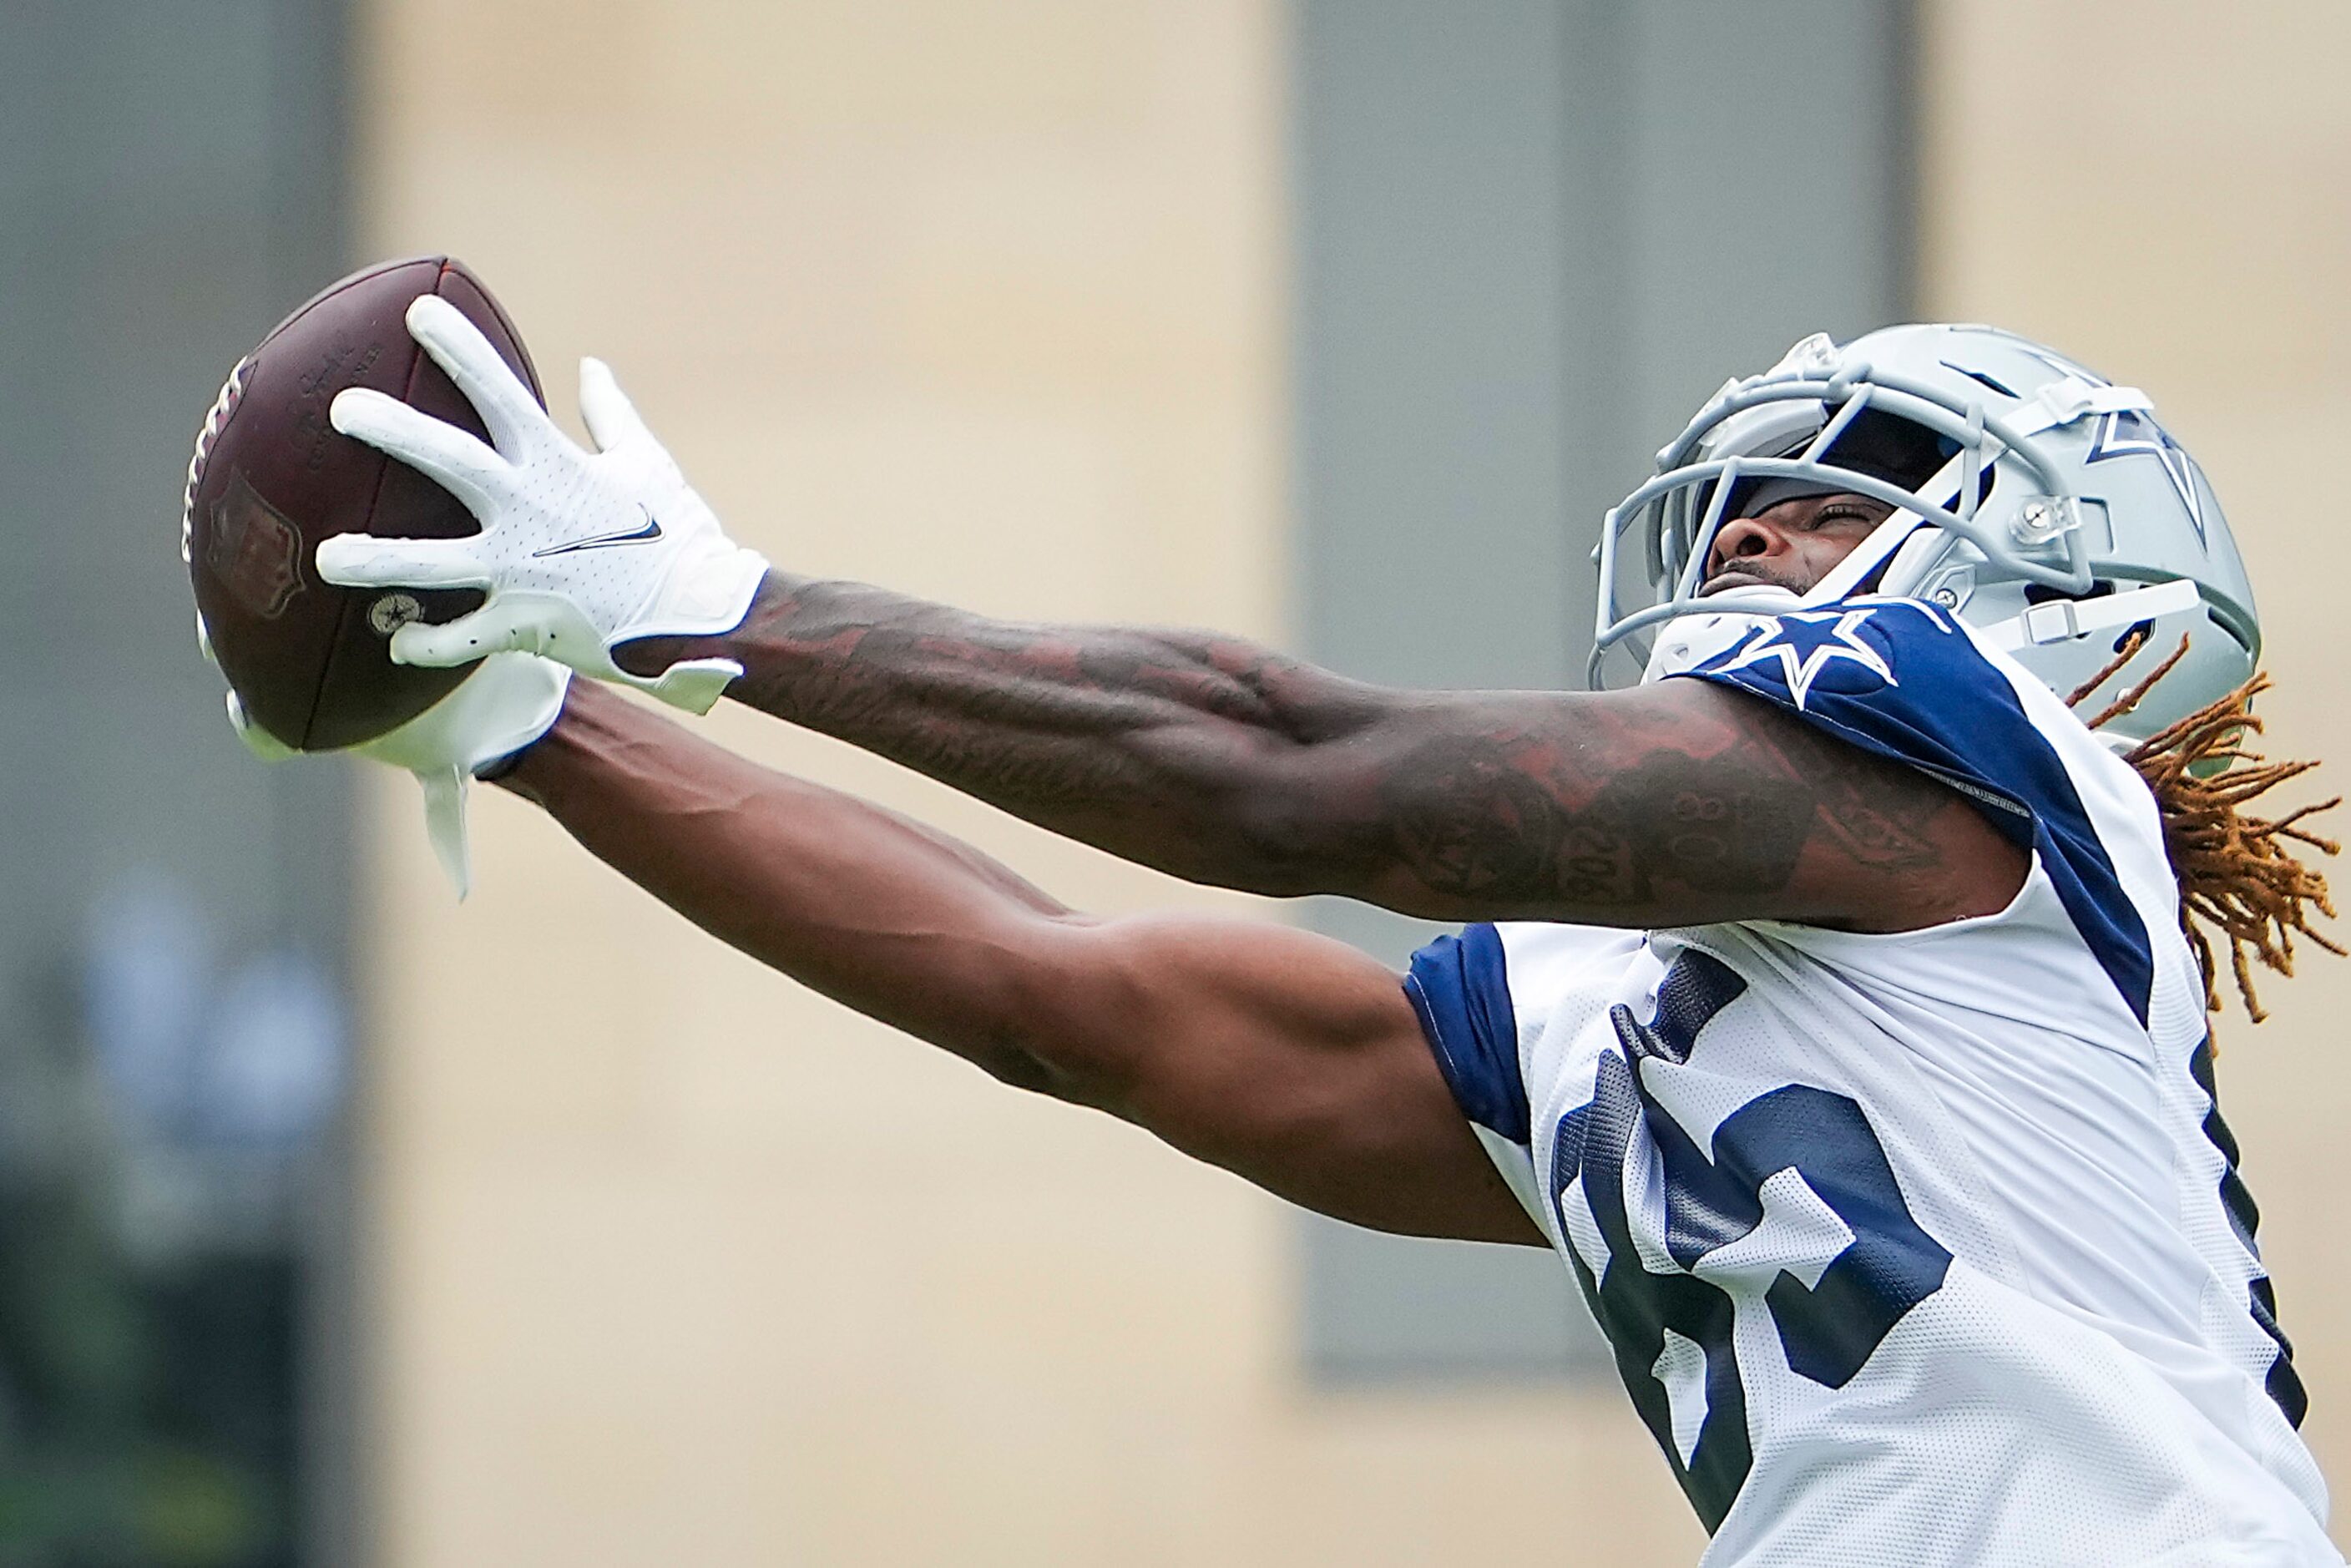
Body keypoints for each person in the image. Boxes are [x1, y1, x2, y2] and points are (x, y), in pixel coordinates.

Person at [218, 306, 2339, 1563]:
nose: (1758, 528)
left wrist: (706, 600)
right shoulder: (1632, 1017)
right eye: (1756, 494)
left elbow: (1295, 778)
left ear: (2082, 606)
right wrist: (540, 715)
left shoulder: (1981, 781)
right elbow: (1059, 1000)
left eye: (1849, 487)